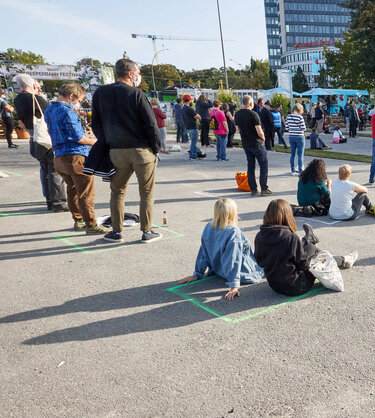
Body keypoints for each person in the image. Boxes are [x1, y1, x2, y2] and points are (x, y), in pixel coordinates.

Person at [91, 58, 162, 243]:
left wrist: (107, 142)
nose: (138, 76)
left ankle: (116, 231)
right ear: (130, 74)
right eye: (137, 73)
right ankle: (146, 232)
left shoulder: (100, 93)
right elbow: (151, 124)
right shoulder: (136, 94)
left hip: (116, 150)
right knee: (146, 192)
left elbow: (96, 124)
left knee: (117, 191)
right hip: (141, 150)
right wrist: (156, 148)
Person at [255, 199, 358, 296]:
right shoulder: (291, 238)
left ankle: (310, 241)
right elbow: (303, 265)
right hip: (297, 286)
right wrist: (316, 261)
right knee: (317, 255)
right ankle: (343, 259)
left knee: (311, 247)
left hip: (274, 285)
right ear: (287, 216)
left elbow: (260, 262)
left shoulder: (259, 236)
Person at [44, 83, 109, 234]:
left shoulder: (49, 109)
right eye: (78, 99)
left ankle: (78, 220)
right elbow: (79, 137)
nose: (78, 102)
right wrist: (96, 142)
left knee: (72, 189)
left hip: (59, 156)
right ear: (71, 96)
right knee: (85, 192)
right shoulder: (68, 111)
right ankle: (91, 224)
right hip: (75, 156)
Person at [177, 198, 264, 301]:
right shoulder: (233, 232)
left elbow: (203, 252)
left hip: (219, 270)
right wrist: (234, 285)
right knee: (270, 264)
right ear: (232, 213)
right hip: (243, 273)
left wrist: (197, 274)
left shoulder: (208, 227)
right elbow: (233, 260)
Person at [13, 74, 68, 211]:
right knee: (55, 170)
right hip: (47, 139)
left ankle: (49, 200)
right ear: (32, 85)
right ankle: (59, 202)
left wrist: (32, 133)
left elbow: (21, 121)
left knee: (44, 169)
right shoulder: (36, 99)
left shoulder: (18, 100)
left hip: (35, 138)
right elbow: (52, 115)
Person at [235, 95, 271, 196]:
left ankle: (253, 189)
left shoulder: (237, 114)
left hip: (246, 143)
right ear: (251, 103)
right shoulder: (254, 114)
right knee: (263, 165)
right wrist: (263, 138)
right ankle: (264, 188)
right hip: (256, 143)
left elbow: (237, 129)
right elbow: (259, 130)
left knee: (251, 166)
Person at [286, 103, 307, 174]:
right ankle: (300, 169)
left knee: (293, 154)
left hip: (291, 136)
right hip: (300, 137)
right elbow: (304, 128)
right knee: (300, 154)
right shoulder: (300, 117)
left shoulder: (288, 116)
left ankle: (293, 169)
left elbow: (286, 128)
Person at [181, 95, 202, 160]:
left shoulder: (183, 108)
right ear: (189, 101)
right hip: (193, 126)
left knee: (192, 141)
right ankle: (193, 155)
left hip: (188, 126)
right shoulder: (189, 109)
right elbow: (198, 116)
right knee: (194, 142)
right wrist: (196, 116)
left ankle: (192, 154)